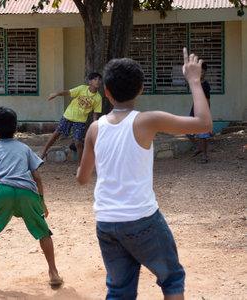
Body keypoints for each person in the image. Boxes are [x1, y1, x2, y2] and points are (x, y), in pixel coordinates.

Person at [77, 48, 212, 299]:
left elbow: (82, 178)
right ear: (141, 90)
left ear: (106, 91)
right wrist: (194, 80)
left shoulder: (95, 129)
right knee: (172, 279)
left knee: (119, 289)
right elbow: (204, 123)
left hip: (106, 222)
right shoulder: (147, 121)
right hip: (141, 220)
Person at [0, 106, 62, 286]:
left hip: (3, 192)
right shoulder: (25, 149)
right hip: (27, 192)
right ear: (16, 129)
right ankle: (53, 272)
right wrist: (42, 202)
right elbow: (37, 176)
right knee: (43, 232)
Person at [40, 73, 103, 163]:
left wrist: (95, 125)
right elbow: (68, 92)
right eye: (95, 79)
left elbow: (95, 113)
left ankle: (80, 166)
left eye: (99, 80)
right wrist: (56, 94)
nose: (97, 81)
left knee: (78, 143)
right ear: (90, 81)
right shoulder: (82, 89)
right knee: (55, 135)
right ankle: (43, 154)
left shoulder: (98, 98)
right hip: (68, 115)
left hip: (80, 121)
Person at [187, 62, 211, 163]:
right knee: (187, 130)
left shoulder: (205, 85)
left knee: (203, 135)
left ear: (205, 72)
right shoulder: (195, 83)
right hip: (194, 110)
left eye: (201, 71)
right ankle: (198, 147)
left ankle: (204, 156)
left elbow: (207, 99)